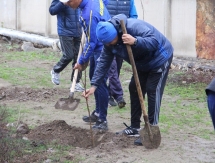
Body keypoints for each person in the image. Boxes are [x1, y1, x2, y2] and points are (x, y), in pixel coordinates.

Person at [82, 14, 174, 145]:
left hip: (160, 57)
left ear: (116, 34)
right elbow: (103, 63)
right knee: (134, 88)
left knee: (152, 89)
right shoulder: (109, 43)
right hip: (141, 62)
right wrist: (94, 85)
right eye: (106, 43)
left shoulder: (134, 27)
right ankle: (135, 127)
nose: (109, 45)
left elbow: (154, 41)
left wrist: (136, 41)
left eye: (110, 41)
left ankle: (151, 128)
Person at [66, 0, 111, 131]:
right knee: (93, 77)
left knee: (100, 82)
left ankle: (103, 119)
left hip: (103, 49)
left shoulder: (88, 13)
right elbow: (106, 2)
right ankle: (97, 113)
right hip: (100, 45)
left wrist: (81, 61)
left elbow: (91, 42)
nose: (68, 5)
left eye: (69, 2)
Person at [105, 0, 138, 107]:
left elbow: (133, 16)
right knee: (112, 67)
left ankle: (110, 93)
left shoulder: (129, 0)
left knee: (117, 66)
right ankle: (119, 96)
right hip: (109, 37)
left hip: (122, 39)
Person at [49, 0, 84, 92]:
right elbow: (52, 11)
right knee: (68, 55)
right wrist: (62, 3)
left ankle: (75, 82)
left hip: (78, 31)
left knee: (79, 58)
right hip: (65, 31)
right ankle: (56, 70)